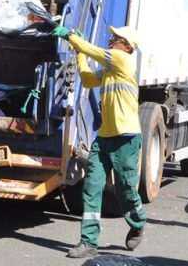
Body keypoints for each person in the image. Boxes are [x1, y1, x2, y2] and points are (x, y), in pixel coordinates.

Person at [52, 24, 146, 258]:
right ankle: (88, 241)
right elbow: (86, 79)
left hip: (126, 138)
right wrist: (80, 54)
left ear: (126, 46)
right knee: (92, 187)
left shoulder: (122, 60)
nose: (111, 40)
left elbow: (92, 49)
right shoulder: (109, 69)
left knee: (125, 190)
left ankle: (137, 222)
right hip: (104, 138)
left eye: (116, 38)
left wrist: (72, 38)